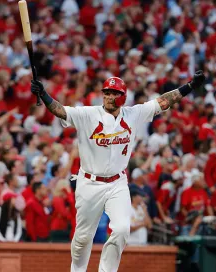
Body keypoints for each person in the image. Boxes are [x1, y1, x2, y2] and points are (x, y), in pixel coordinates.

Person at [31, 70, 206, 271]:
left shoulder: (133, 114)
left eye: (114, 93)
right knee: (82, 238)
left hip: (117, 182)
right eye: (106, 92)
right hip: (89, 182)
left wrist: (190, 86)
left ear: (122, 97)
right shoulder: (88, 114)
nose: (109, 96)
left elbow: (163, 102)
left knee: (122, 229)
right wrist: (44, 95)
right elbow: (60, 110)